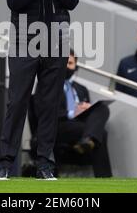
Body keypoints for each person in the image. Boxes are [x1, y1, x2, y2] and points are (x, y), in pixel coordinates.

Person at [0, 0, 79, 180]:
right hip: (24, 42)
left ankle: (44, 166)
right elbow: (14, 2)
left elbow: (72, 3)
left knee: (49, 105)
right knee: (17, 102)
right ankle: (5, 165)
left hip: (56, 42)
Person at [56, 49, 112, 177]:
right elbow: (43, 111)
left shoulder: (82, 89)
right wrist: (72, 112)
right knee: (100, 133)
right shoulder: (47, 86)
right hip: (59, 125)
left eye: (70, 63)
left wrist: (86, 108)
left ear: (75, 67)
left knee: (102, 107)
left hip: (80, 124)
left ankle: (87, 140)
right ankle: (105, 178)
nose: (66, 66)